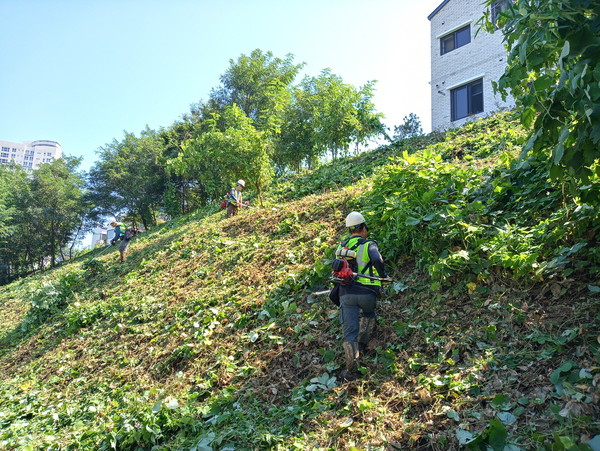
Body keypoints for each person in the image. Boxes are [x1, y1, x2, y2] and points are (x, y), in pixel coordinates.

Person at [336, 211, 390, 380]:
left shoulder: (342, 247)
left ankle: (351, 371)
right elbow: (378, 260)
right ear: (363, 228)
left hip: (346, 294)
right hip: (367, 292)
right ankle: (364, 343)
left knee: (349, 332)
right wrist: (383, 277)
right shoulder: (369, 244)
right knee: (369, 313)